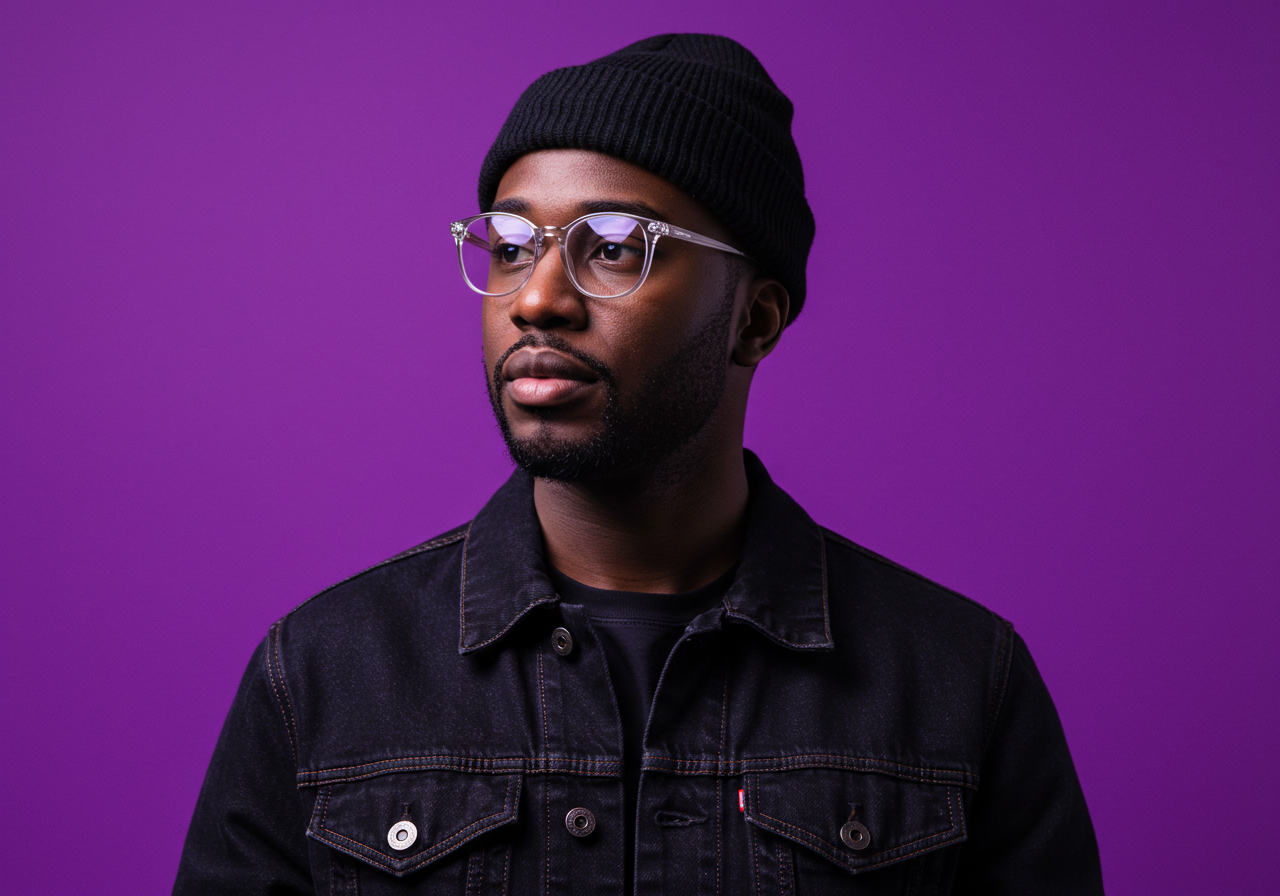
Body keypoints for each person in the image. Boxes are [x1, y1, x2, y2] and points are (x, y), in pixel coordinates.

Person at [174, 33, 1103, 895]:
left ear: (755, 320)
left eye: (614, 248)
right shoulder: (321, 674)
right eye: (511, 246)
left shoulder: (959, 683)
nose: (537, 299)